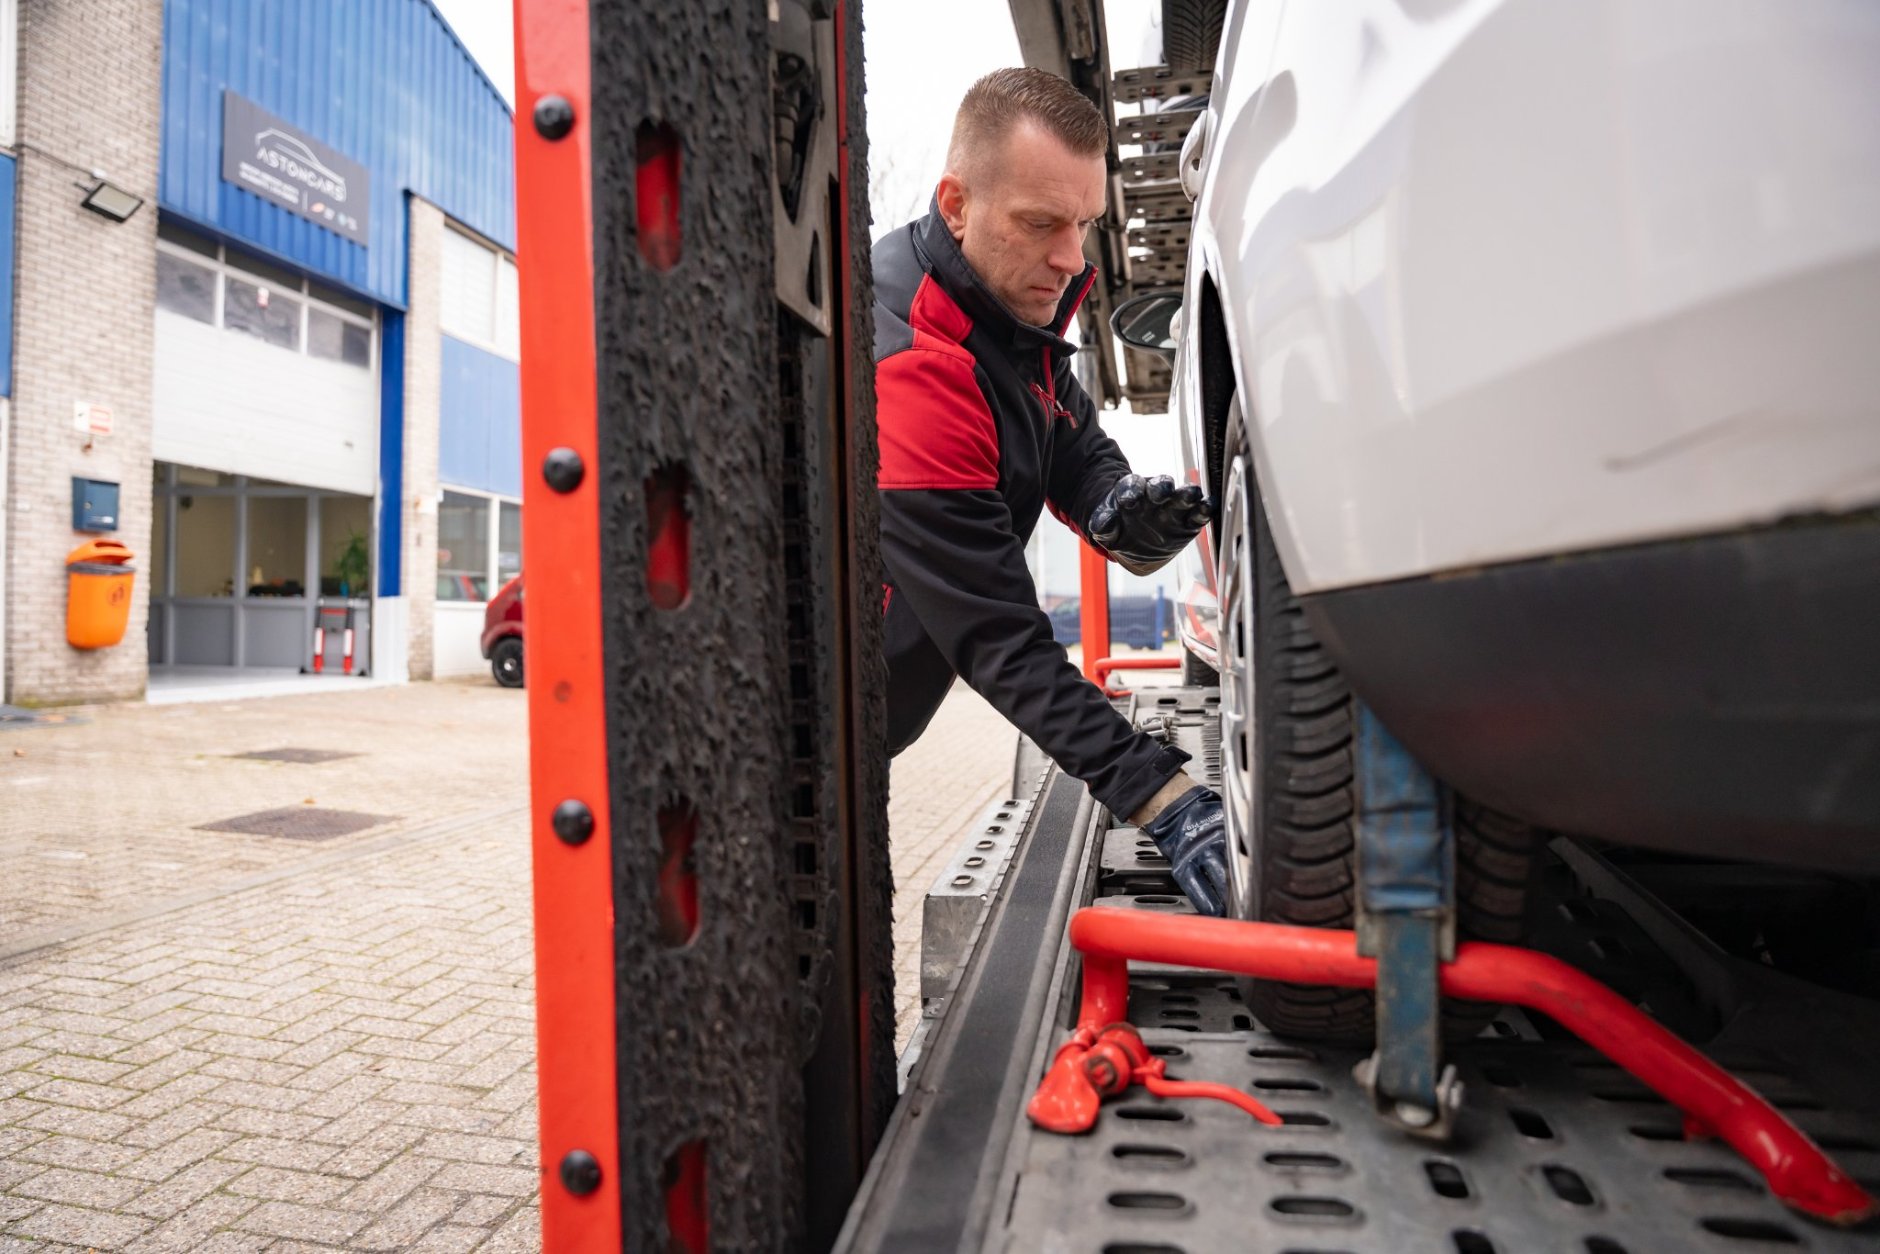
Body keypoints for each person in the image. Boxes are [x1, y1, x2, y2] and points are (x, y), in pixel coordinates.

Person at [873, 67, 1229, 915]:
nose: (1071, 258)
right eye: (1040, 224)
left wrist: (1112, 502)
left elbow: (1066, 430)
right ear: (955, 203)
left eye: (1084, 224)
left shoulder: (1004, 290)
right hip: (786, 744)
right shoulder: (911, 364)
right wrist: (1165, 801)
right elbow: (1002, 642)